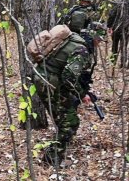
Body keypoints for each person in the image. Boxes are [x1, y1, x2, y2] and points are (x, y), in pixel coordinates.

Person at [33, 18, 106, 167]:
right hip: (48, 82)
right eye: (99, 40)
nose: (99, 44)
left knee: (66, 116)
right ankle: (51, 159)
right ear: (94, 37)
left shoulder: (74, 40)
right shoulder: (82, 49)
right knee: (70, 123)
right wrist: (82, 94)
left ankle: (58, 148)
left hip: (45, 78)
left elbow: (69, 73)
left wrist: (83, 91)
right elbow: (68, 78)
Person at [107, 0, 129, 67]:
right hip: (126, 29)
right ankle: (123, 64)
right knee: (124, 46)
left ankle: (112, 63)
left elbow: (111, 15)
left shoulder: (116, 4)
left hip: (116, 28)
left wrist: (109, 26)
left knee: (114, 46)